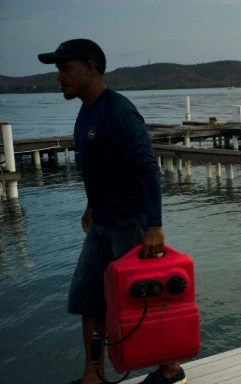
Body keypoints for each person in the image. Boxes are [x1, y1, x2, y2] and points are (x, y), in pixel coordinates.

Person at [38, 39, 185, 384]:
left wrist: (154, 225)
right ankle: (93, 375)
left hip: (131, 224)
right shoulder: (86, 112)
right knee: (89, 299)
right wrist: (92, 203)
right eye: (58, 69)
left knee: (146, 297)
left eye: (65, 68)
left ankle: (170, 370)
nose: (59, 76)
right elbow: (102, 164)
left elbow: (147, 168)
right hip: (102, 222)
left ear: (90, 68)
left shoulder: (118, 110)